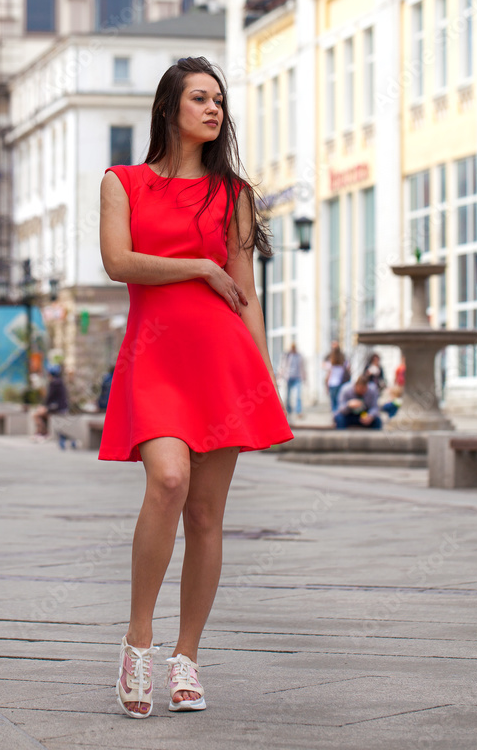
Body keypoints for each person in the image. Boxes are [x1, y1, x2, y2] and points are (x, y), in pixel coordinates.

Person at [99, 56, 292, 719]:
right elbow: (117, 261)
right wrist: (199, 268)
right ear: (168, 108)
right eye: (200, 99)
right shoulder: (122, 182)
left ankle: (187, 657)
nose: (213, 109)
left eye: (219, 100)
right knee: (169, 481)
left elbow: (246, 292)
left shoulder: (233, 193)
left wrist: (262, 377)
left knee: (207, 518)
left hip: (222, 361)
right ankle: (137, 640)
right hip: (153, 360)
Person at [45, 365, 75, 449]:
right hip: (64, 406)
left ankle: (63, 439)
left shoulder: (54, 383)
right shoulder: (61, 382)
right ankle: (71, 440)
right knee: (63, 424)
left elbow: (50, 396)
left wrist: (45, 405)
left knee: (59, 424)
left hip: (57, 408)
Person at [280, 343, 305, 420]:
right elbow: (283, 366)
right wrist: (281, 375)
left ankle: (298, 411)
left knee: (298, 395)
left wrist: (304, 377)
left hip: (297, 377)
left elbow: (302, 367)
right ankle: (289, 410)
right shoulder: (287, 356)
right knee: (288, 395)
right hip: (289, 377)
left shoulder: (299, 356)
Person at [325, 345, 349, 414]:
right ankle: (338, 416)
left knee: (333, 402)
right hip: (341, 384)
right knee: (339, 401)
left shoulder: (331, 363)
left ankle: (334, 416)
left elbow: (328, 376)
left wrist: (326, 386)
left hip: (332, 384)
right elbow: (348, 370)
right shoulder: (344, 363)